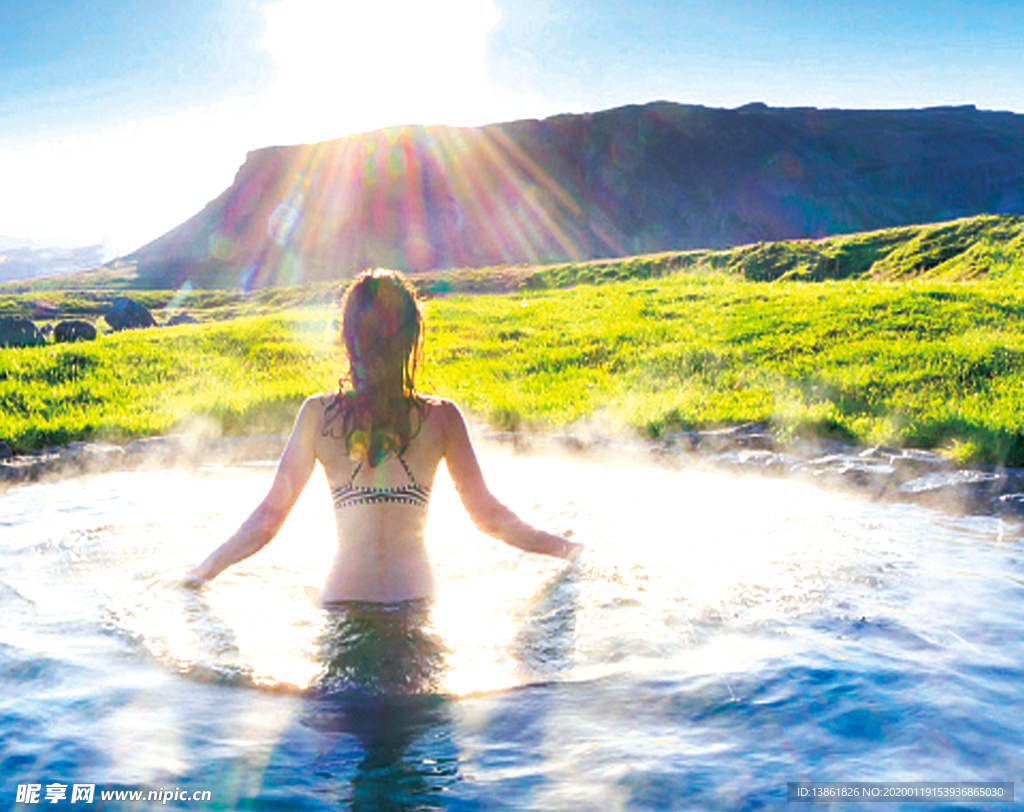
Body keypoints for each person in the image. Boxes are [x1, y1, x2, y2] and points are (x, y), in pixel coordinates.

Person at [187, 268, 581, 604]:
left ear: (347, 337)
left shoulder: (317, 415)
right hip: (413, 602)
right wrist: (568, 550)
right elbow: (490, 519)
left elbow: (267, 522)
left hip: (343, 603)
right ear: (411, 339)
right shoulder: (442, 419)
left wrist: (200, 572)